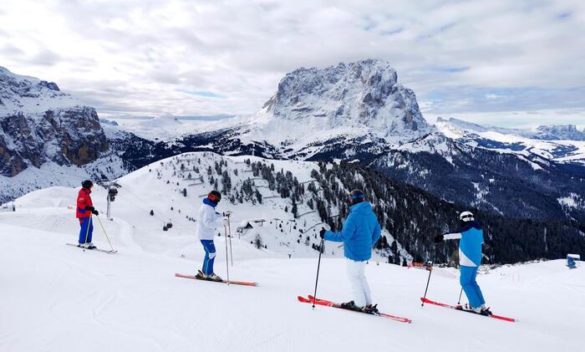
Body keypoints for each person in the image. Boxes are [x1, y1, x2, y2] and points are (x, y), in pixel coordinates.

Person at [320, 189, 381, 313]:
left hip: (353, 254)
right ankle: (367, 302)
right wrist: (368, 245)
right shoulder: (370, 214)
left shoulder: (354, 216)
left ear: (353, 200)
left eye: (350, 198)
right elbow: (377, 232)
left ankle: (359, 304)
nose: (348, 201)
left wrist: (325, 234)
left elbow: (343, 236)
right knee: (360, 277)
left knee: (354, 277)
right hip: (364, 254)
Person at [434, 211, 491, 316]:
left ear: (463, 219)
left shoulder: (465, 229)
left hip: (467, 260)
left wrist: (441, 237)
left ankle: (476, 306)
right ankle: (481, 304)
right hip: (477, 259)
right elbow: (480, 242)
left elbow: (452, 234)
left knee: (465, 283)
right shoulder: (479, 229)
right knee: (472, 282)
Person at [196, 190, 227, 282]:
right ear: (213, 198)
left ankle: (204, 272)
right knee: (212, 253)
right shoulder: (208, 208)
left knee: (209, 253)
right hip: (205, 235)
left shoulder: (208, 206)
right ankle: (208, 274)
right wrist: (222, 224)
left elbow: (213, 215)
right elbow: (208, 222)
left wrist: (223, 215)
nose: (217, 202)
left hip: (205, 235)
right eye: (217, 200)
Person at [76, 180, 99, 249]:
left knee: (90, 228)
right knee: (85, 228)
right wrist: (88, 208)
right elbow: (80, 204)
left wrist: (93, 210)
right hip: (83, 214)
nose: (91, 188)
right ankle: (82, 242)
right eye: (91, 186)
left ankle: (88, 242)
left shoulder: (86, 193)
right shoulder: (82, 193)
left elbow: (88, 204)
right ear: (88, 186)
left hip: (88, 214)